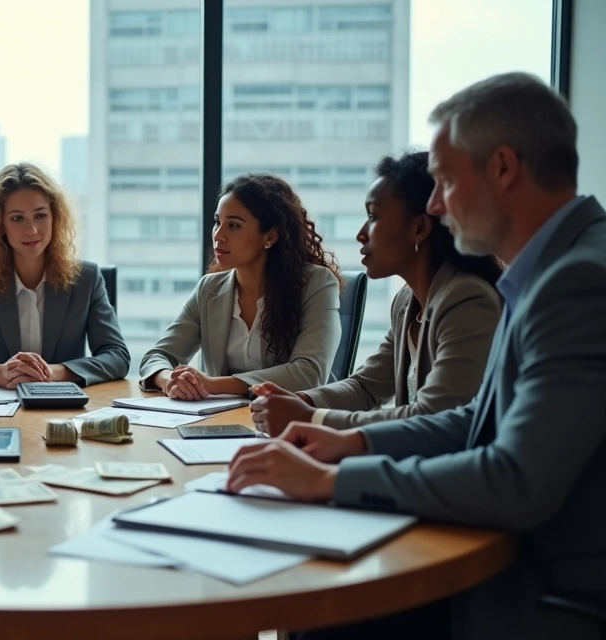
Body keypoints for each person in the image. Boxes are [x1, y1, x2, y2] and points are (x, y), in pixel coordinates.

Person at [227, 73, 606, 640]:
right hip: (510, 553)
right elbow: (477, 420)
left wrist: (332, 480)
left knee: (324, 611)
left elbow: (514, 479)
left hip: (543, 589)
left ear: (503, 168)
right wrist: (350, 441)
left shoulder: (577, 281)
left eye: (447, 180)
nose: (434, 203)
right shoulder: (548, 270)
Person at [250, 151, 503, 436]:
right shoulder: (408, 301)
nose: (361, 233)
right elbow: (367, 386)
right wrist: (302, 400)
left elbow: (433, 417)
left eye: (373, 216)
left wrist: (312, 418)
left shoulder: (467, 300)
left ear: (420, 227)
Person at [139, 174, 343, 398]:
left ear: (270, 236)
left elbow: (308, 373)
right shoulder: (209, 289)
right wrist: (169, 380)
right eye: (218, 222)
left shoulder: (316, 283)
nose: (218, 235)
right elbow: (157, 356)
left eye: (234, 225)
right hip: (221, 422)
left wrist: (214, 384)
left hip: (292, 422)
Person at [0, 163, 129, 387]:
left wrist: (55, 372)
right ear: (0, 224)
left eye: (40, 215)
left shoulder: (87, 279)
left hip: (65, 411)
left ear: (55, 218)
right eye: (17, 218)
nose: (32, 230)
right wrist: (1, 373)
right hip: (1, 413)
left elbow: (117, 356)